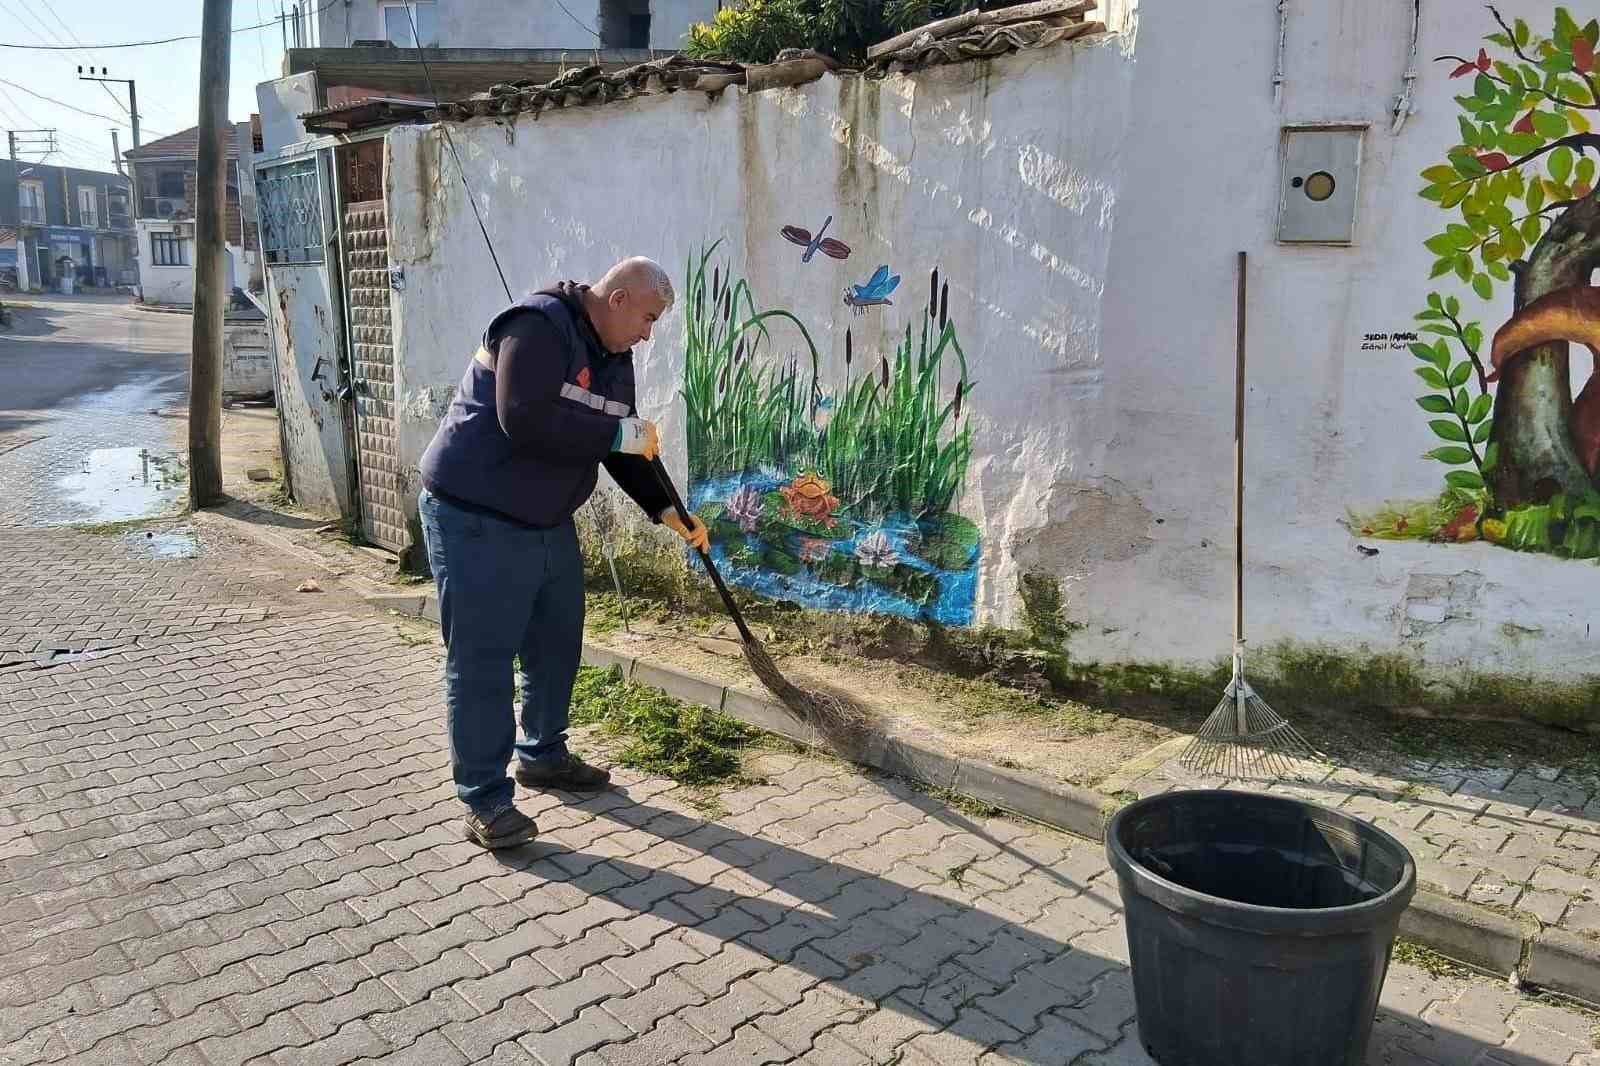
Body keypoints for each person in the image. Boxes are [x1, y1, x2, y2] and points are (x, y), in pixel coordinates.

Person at [417, 257, 709, 849]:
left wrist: (665, 509)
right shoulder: (535, 326)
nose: (649, 334)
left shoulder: (614, 358)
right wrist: (616, 435)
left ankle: (543, 754)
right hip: (475, 517)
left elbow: (620, 442)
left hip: (546, 519)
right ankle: (486, 801)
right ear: (619, 298)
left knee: (556, 645)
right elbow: (522, 418)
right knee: (484, 661)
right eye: (648, 319)